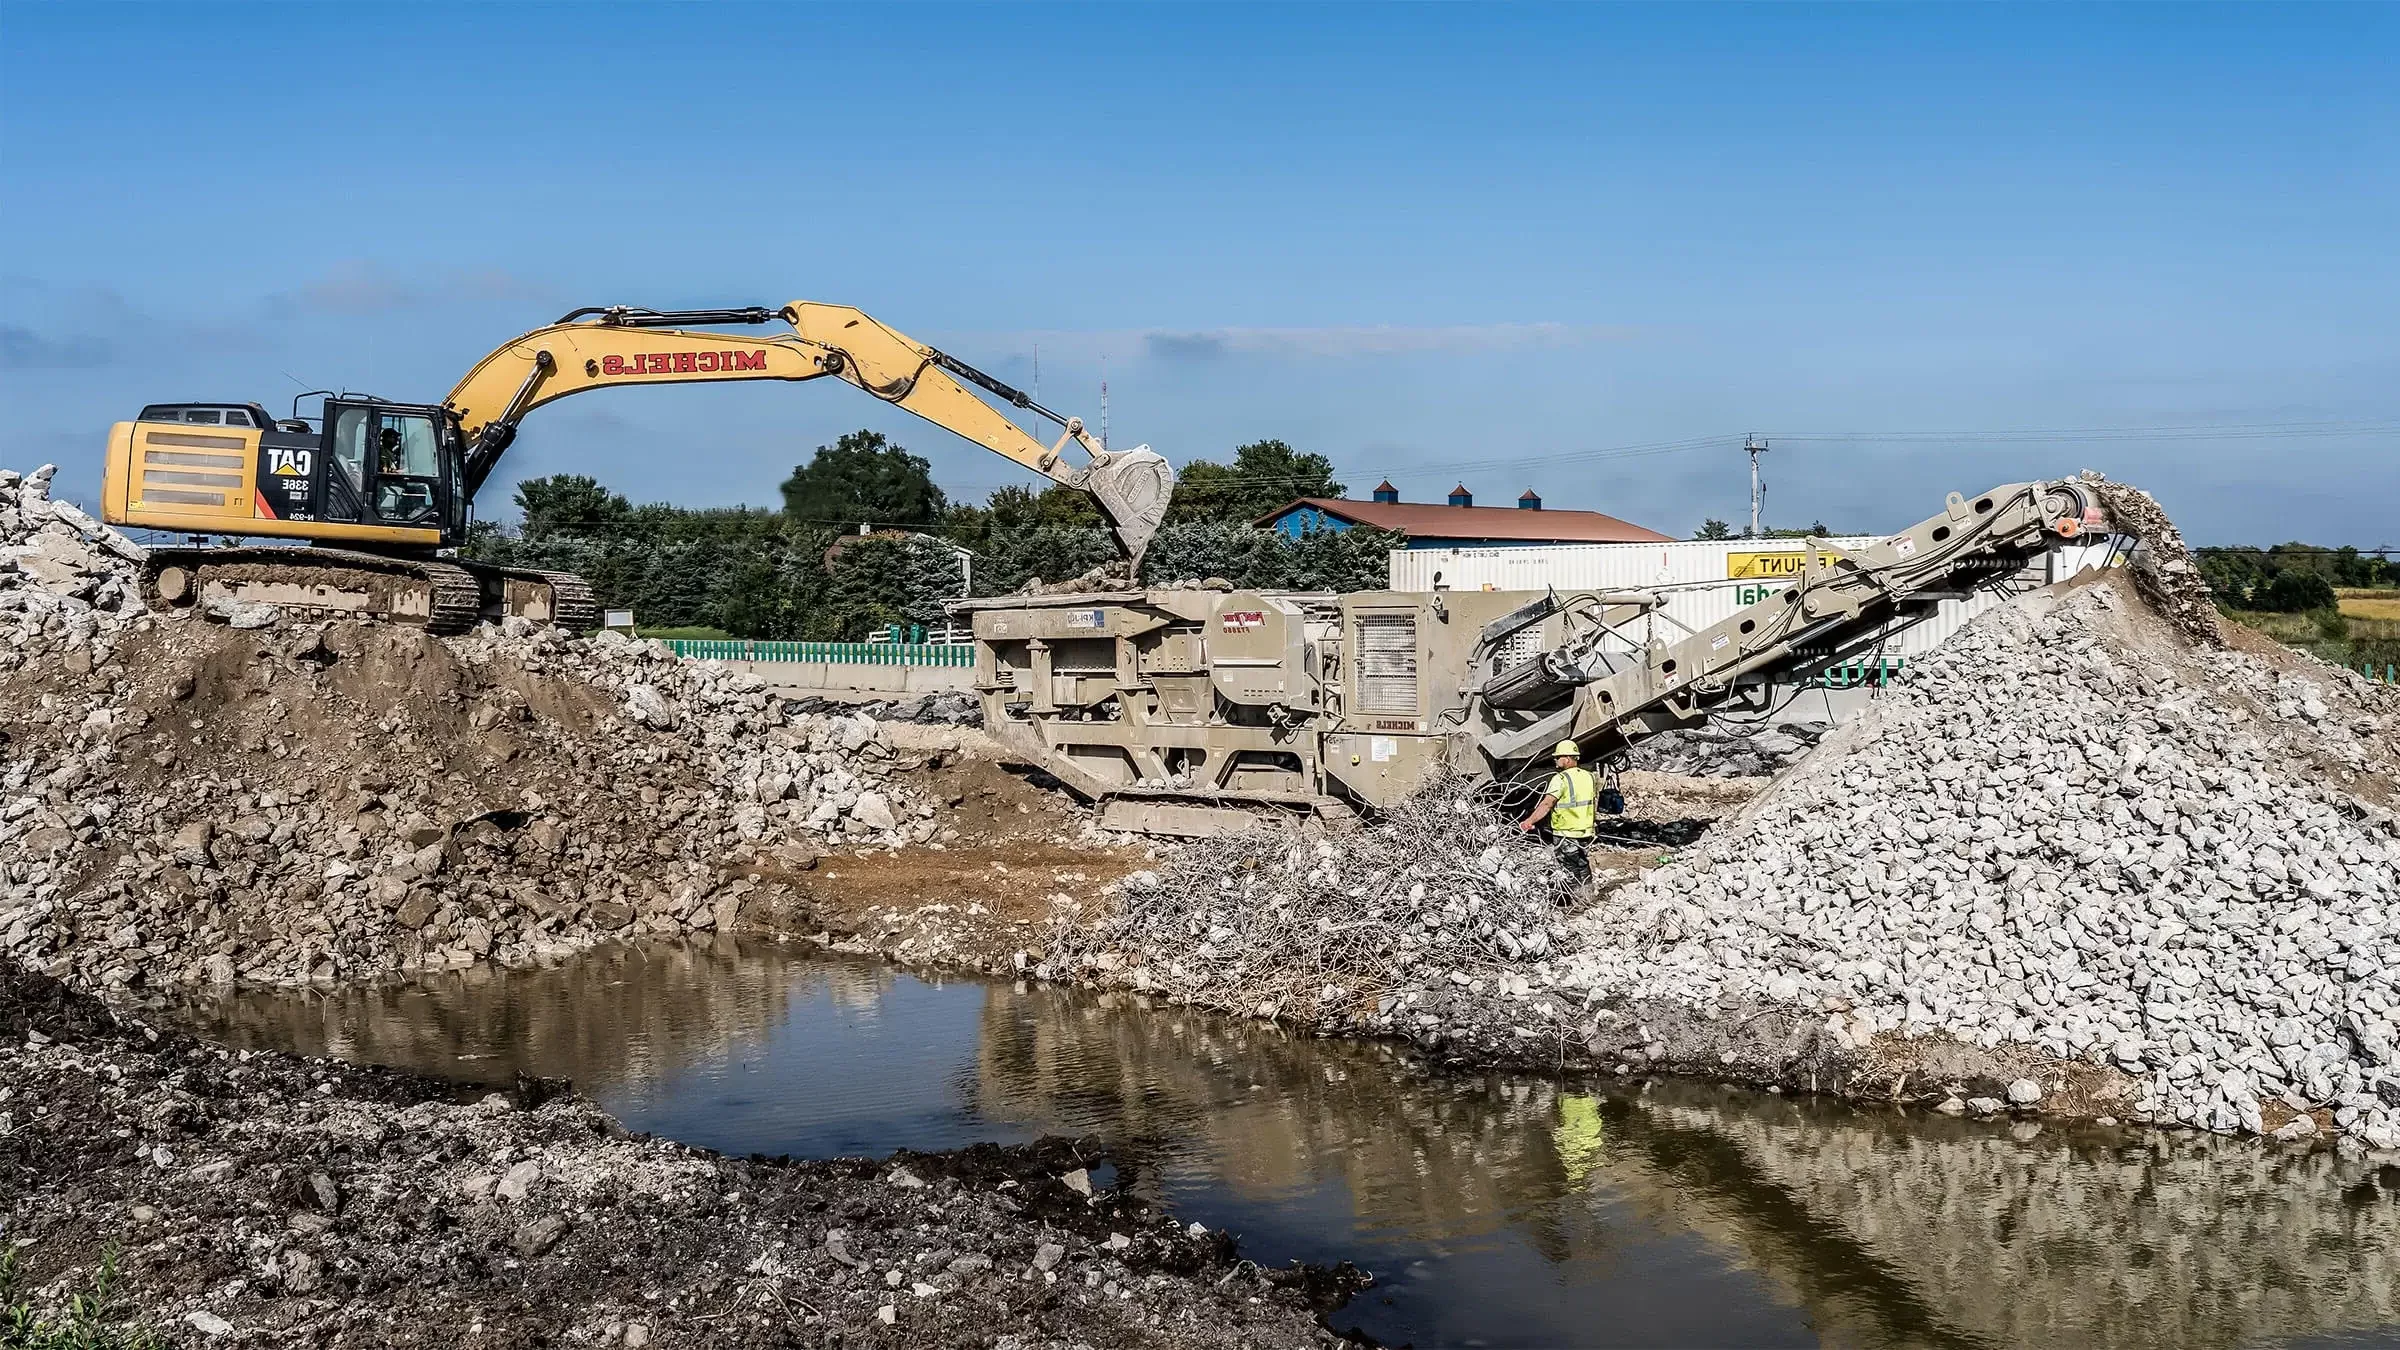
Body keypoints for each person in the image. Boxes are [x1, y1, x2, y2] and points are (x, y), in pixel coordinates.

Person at [1517, 739, 1597, 884]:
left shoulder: (1560, 779)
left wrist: (1528, 822)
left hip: (1566, 831)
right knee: (1581, 863)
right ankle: (1588, 892)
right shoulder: (1588, 776)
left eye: (1558, 757)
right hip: (1585, 831)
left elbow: (1547, 804)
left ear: (1567, 759)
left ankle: (1576, 900)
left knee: (1568, 867)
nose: (1555, 760)